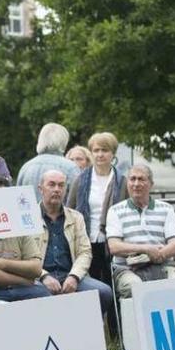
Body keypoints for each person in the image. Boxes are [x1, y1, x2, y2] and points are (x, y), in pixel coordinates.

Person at [67, 132, 128, 334]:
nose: (100, 155)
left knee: (112, 284)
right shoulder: (81, 179)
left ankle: (114, 331)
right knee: (90, 287)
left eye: (105, 150)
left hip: (112, 241)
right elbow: (71, 209)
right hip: (86, 240)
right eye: (96, 150)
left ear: (113, 154)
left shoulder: (122, 180)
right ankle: (92, 332)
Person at [36, 170, 115, 317]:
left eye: (61, 185)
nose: (56, 190)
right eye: (51, 185)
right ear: (40, 189)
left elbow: (85, 252)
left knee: (104, 292)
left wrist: (74, 276)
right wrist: (44, 276)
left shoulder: (76, 217)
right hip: (39, 278)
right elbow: (24, 257)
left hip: (70, 274)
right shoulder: (29, 218)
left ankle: (86, 331)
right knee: (36, 294)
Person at [106, 165, 175, 299]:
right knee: (135, 287)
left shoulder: (166, 209)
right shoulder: (115, 210)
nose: (136, 184)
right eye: (132, 179)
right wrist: (147, 249)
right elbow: (114, 247)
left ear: (151, 184)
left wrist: (158, 255)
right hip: (127, 269)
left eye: (141, 179)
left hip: (162, 266)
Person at [0, 176, 52, 302]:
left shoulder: (20, 227)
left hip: (24, 289)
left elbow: (36, 268)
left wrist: (1, 263)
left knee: (45, 295)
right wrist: (25, 280)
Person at [16, 123, 80, 199]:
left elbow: (18, 200)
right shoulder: (71, 168)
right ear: (64, 142)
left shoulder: (26, 167)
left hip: (30, 211)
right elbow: (78, 200)